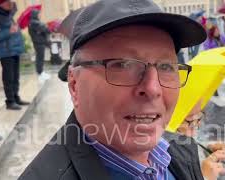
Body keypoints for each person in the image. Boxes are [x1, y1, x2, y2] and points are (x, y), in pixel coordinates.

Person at [19, 0, 207, 179]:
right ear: (75, 85)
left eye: (166, 67)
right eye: (123, 65)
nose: (153, 88)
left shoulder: (182, 150)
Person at [176, 101, 225, 180]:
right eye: (189, 120)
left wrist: (207, 149)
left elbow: (193, 143)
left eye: (199, 117)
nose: (194, 130)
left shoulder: (184, 135)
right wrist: (205, 177)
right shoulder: (167, 156)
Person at [0, 0, 29, 110]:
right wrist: (9, 32)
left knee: (16, 76)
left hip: (15, 49)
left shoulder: (9, 15)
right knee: (8, 77)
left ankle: (16, 97)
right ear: (1, 4)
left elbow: (14, 8)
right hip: (5, 51)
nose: (11, 4)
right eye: (8, 2)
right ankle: (10, 101)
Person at [203, 25, 225, 96]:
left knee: (219, 76)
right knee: (215, 76)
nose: (217, 32)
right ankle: (214, 89)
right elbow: (206, 48)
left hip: (221, 59)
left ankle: (214, 87)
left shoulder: (221, 37)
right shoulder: (209, 39)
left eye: (218, 30)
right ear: (212, 32)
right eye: (216, 31)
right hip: (213, 60)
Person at [28, 9, 51, 82]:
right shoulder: (34, 23)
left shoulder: (33, 22)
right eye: (38, 14)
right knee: (40, 58)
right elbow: (46, 30)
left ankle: (41, 72)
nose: (39, 15)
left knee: (40, 57)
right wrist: (45, 27)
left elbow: (43, 30)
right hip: (39, 43)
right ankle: (40, 73)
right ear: (35, 15)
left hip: (38, 42)